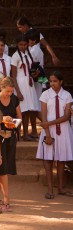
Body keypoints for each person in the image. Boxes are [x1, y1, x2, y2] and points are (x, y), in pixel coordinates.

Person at [0, 77, 22, 212]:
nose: (9, 94)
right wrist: (2, 120)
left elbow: (20, 118)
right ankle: (6, 198)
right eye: (7, 91)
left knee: (4, 168)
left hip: (10, 137)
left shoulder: (14, 99)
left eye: (11, 92)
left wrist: (12, 121)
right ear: (2, 88)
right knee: (2, 169)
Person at [36, 71, 73, 199]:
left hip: (63, 129)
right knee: (48, 159)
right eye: (50, 81)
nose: (52, 84)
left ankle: (61, 188)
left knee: (61, 159)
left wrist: (48, 123)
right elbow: (44, 115)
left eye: (55, 81)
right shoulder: (45, 95)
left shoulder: (67, 95)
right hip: (49, 131)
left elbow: (67, 116)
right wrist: (47, 134)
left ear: (61, 82)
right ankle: (50, 189)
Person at [11, 35, 40, 141]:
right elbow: (13, 76)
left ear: (27, 44)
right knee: (21, 110)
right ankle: (19, 133)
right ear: (17, 45)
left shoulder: (29, 55)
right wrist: (18, 92)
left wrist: (35, 74)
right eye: (20, 45)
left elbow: (30, 71)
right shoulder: (15, 56)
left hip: (29, 83)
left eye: (25, 44)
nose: (23, 46)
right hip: (20, 84)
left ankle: (27, 133)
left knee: (29, 109)